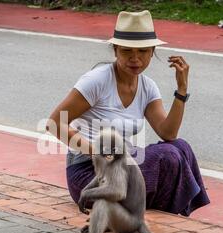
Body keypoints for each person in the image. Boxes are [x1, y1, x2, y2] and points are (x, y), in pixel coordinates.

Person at [47, 10, 210, 216]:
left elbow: (168, 134)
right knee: (167, 156)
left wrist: (182, 90)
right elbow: (54, 123)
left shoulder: (148, 86)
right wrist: (98, 153)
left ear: (152, 52)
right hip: (90, 175)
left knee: (180, 147)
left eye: (142, 51)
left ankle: (153, 206)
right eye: (127, 51)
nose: (135, 59)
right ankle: (142, 203)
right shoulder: (97, 80)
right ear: (115, 50)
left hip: (121, 166)